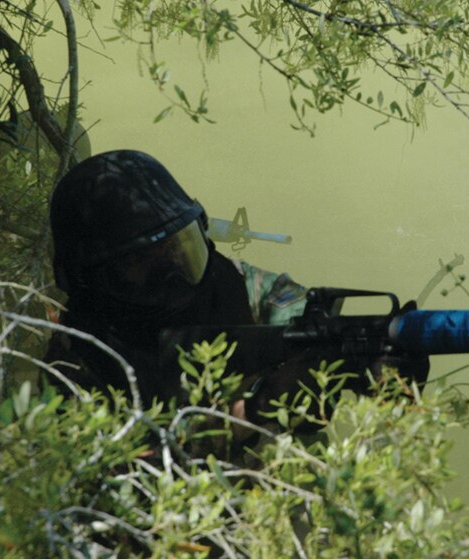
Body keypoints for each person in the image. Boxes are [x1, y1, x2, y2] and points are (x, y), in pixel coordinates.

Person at [43, 150, 426, 439]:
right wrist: (261, 407)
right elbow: (130, 479)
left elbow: (305, 321)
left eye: (178, 248)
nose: (173, 273)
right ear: (89, 279)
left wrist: (374, 366)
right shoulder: (75, 361)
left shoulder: (240, 288)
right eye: (141, 260)